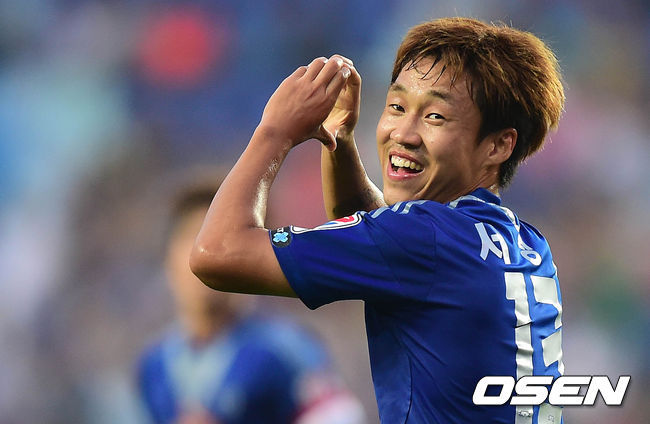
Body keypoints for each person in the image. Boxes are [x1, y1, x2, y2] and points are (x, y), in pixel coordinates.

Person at [190, 17, 565, 423]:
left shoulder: (422, 238)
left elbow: (217, 253)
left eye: (435, 116)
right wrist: (339, 138)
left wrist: (274, 130)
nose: (403, 133)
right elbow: (382, 237)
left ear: (498, 145)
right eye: (397, 107)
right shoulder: (528, 245)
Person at [136, 179, 366, 424]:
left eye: (220, 242)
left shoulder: (286, 350)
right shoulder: (154, 366)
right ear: (168, 258)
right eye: (193, 237)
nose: (207, 255)